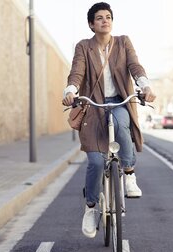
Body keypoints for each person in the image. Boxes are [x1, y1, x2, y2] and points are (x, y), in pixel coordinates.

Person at [62, 2, 156, 238]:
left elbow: (135, 66)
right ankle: (91, 208)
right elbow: (77, 71)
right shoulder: (84, 47)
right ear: (92, 24)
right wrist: (70, 90)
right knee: (94, 162)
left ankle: (129, 174)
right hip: (93, 106)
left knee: (122, 125)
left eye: (108, 17)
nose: (105, 20)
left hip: (120, 101)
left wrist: (145, 85)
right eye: (99, 18)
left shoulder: (123, 42)